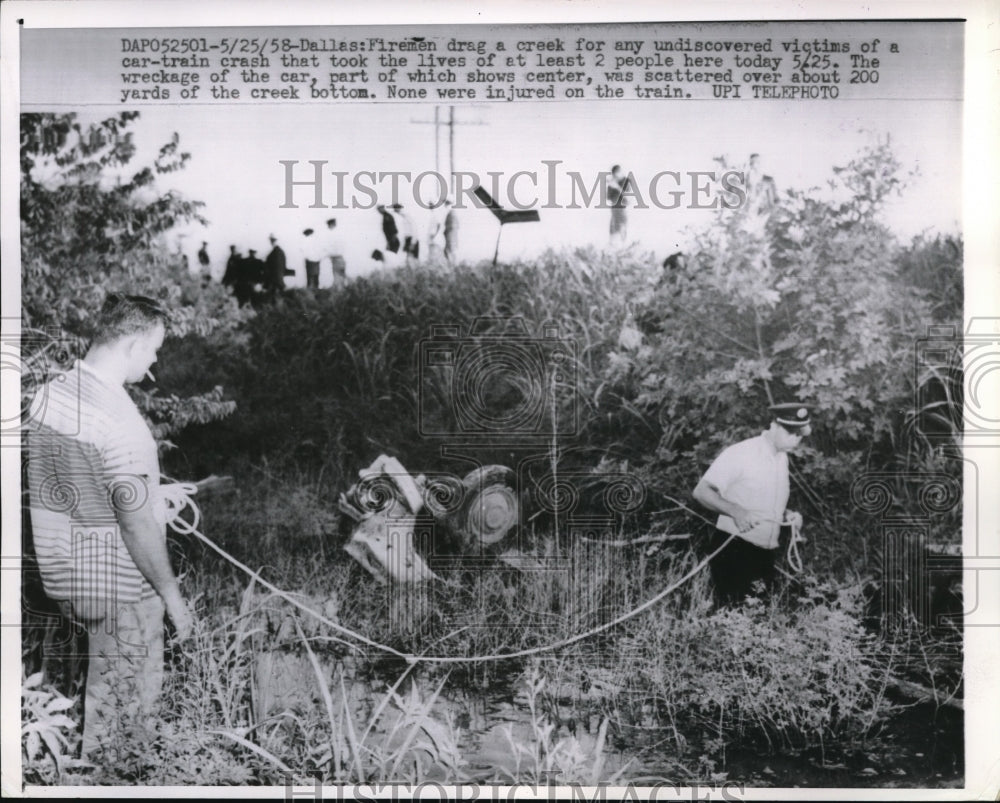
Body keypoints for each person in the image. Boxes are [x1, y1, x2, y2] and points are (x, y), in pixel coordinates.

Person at [25, 293, 194, 760]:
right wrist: (172, 597)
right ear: (134, 343)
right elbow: (137, 525)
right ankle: (115, 774)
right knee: (123, 713)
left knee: (92, 687)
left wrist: (148, 493)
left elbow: (78, 480)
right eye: (155, 347)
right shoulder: (123, 423)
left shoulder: (52, 393)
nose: (157, 357)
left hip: (61, 574)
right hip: (115, 586)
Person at [692, 402, 811, 605]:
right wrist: (735, 511)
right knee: (733, 617)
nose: (796, 440)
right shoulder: (741, 453)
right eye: (791, 433)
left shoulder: (781, 458)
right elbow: (701, 492)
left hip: (765, 552)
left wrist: (786, 515)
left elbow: (763, 502)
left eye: (800, 435)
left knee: (758, 619)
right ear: (774, 426)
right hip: (734, 549)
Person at [607, 164, 631, 247]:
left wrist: (617, 187)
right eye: (613, 174)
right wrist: (610, 186)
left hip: (622, 209)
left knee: (622, 229)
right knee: (613, 231)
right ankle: (613, 249)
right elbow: (609, 198)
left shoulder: (626, 181)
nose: (615, 176)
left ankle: (624, 247)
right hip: (614, 209)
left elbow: (628, 199)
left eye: (616, 174)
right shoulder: (613, 182)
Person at [264, 234, 288, 302]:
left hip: (276, 277)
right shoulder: (278, 251)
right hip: (276, 277)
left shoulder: (277, 252)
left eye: (272, 240)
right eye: (271, 240)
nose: (271, 242)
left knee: (277, 293)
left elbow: (277, 266)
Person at [325, 218, 347, 288]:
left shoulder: (333, 234)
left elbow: (332, 248)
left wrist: (328, 254)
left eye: (328, 225)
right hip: (339, 258)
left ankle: (339, 292)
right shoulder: (339, 233)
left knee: (337, 277)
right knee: (341, 276)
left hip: (336, 258)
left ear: (331, 225)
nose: (328, 227)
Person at [443, 200, 458, 265]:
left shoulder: (452, 214)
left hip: (451, 236)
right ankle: (451, 264)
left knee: (450, 251)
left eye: (447, 205)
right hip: (450, 236)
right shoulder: (450, 214)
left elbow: (453, 226)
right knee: (448, 251)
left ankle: (452, 265)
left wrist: (447, 231)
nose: (445, 206)